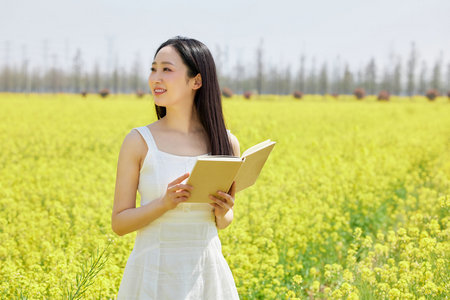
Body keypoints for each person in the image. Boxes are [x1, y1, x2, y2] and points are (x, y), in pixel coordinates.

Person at [111, 36, 240, 299]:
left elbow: (224, 222)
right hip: (152, 273)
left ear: (197, 81)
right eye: (153, 68)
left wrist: (223, 211)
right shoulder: (138, 141)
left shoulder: (226, 142)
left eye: (167, 69)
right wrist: (164, 203)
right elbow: (119, 223)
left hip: (207, 274)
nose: (155, 78)